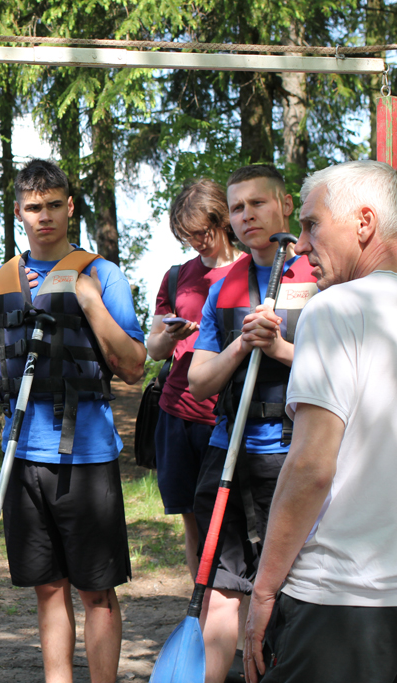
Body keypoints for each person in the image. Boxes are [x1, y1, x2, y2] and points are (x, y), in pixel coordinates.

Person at [0, 159, 147, 683]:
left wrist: (89, 301)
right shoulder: (3, 278)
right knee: (48, 588)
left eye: (52, 205)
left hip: (86, 455)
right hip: (23, 455)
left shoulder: (102, 274)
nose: (43, 216)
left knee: (96, 590)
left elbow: (134, 366)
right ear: (18, 212)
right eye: (33, 207)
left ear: (69, 207)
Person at [242, 160, 397, 682]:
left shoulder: (335, 309)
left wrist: (264, 589)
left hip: (341, 602)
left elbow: (311, 466)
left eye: (312, 224)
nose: (301, 245)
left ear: (364, 223)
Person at [187, 165, 317, 683]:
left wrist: (279, 347)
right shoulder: (223, 287)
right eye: (237, 208)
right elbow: (199, 381)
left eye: (257, 203)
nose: (246, 215)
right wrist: (242, 344)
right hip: (228, 453)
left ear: (285, 206)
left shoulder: (320, 278)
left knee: (286, 588)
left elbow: (346, 373)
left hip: (291, 453)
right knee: (223, 585)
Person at [146, 181, 242, 579]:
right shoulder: (176, 276)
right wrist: (171, 335)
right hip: (177, 412)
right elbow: (153, 348)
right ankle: (200, 604)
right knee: (192, 520)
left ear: (223, 220)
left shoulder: (251, 271)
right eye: (188, 235)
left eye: (203, 232)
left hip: (227, 415)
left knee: (233, 522)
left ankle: (237, 604)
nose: (197, 242)